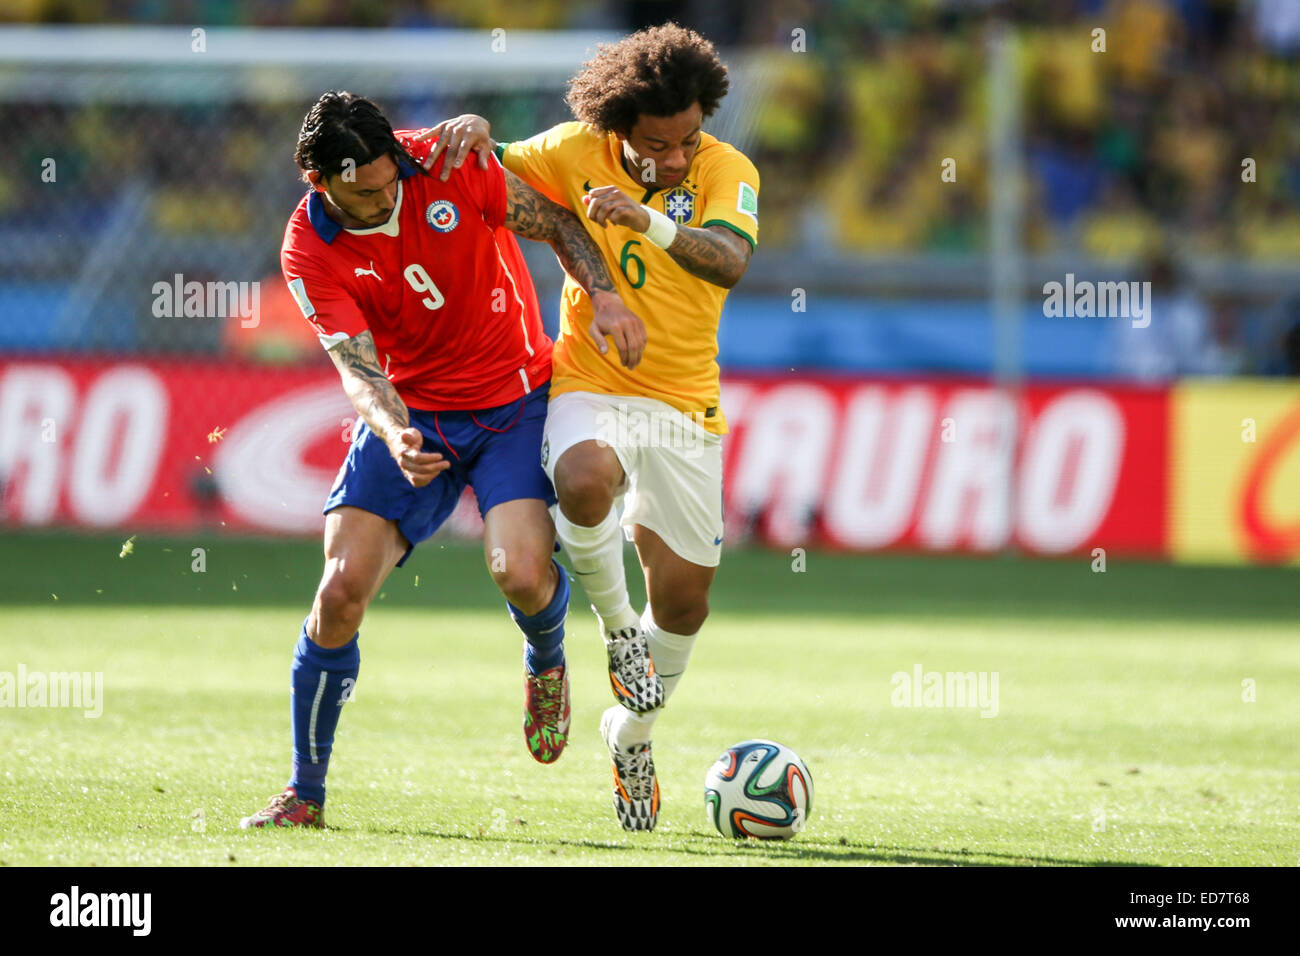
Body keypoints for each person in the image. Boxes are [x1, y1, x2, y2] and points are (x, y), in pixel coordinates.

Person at [240, 90, 644, 828]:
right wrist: (394, 433)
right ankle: (305, 793)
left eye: (391, 177)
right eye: (366, 189)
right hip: (413, 414)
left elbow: (552, 221)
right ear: (321, 180)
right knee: (337, 594)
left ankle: (546, 656)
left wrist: (607, 296)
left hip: (515, 400)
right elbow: (356, 367)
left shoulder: (443, 159)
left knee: (519, 573)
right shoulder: (308, 248)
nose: (387, 194)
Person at [422, 23, 759, 831]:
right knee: (581, 480)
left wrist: (648, 221)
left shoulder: (726, 168)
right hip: (589, 375)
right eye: (657, 145)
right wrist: (474, 133)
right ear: (617, 128)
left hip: (685, 401)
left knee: (683, 605)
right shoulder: (575, 148)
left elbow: (730, 261)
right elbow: (488, 168)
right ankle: (614, 633)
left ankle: (629, 731)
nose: (676, 158)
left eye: (688, 138)